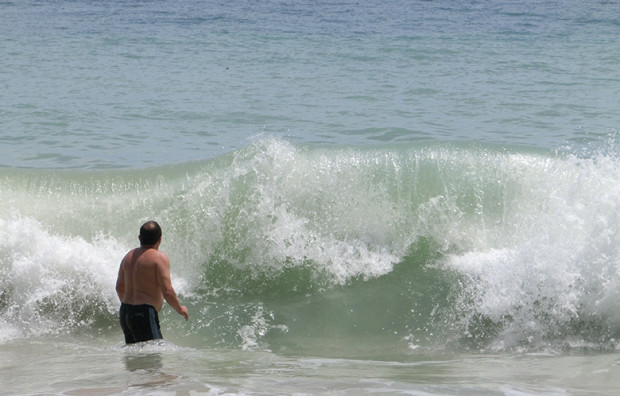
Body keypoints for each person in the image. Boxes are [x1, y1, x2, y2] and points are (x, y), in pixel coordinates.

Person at [116, 221, 189, 344]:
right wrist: (179, 309)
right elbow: (168, 291)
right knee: (153, 358)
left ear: (139, 238)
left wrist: (131, 309)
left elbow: (119, 287)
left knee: (134, 360)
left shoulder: (128, 256)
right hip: (144, 313)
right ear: (160, 239)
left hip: (125, 312)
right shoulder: (159, 257)